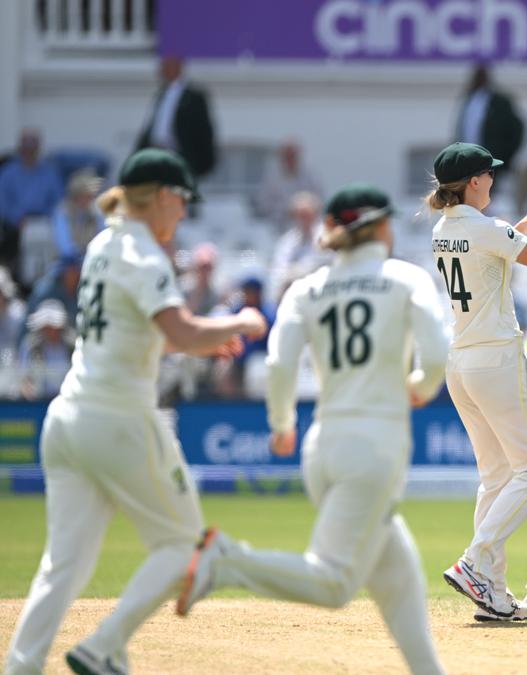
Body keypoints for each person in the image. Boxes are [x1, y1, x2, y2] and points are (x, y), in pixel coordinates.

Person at [3, 148, 266, 675]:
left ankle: (21, 666)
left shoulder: (102, 244)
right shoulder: (145, 254)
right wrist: (239, 323)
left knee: (64, 565)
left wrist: (199, 343)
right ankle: (103, 647)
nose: (184, 213)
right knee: (188, 547)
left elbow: (141, 336)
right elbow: (181, 330)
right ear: (162, 196)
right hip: (118, 419)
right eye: (181, 201)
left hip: (68, 419)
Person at [176, 183, 448, 674]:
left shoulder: (308, 288)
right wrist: (421, 386)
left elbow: (280, 365)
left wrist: (281, 424)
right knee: (334, 584)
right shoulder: (405, 278)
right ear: (381, 227)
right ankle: (225, 560)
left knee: (398, 576)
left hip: (323, 446)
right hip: (375, 446)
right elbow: (437, 351)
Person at [429, 141, 527, 619]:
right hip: (496, 361)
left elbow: (491, 253)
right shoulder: (487, 230)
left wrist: (521, 225)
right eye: (488, 175)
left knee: (496, 477)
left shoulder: (442, 228)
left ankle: (492, 593)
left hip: (461, 363)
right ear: (472, 182)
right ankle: (475, 562)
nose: (493, 181)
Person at [136, 56, 217, 178]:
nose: (161, 69)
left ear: (177, 65)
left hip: (180, 158)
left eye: (165, 65)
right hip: (156, 156)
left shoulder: (194, 96)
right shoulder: (161, 94)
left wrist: (200, 165)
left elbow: (203, 131)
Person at [0, 129, 64, 268]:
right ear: (20, 149)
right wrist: (18, 219)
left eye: (32, 149)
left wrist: (47, 218)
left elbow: (58, 201)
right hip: (16, 224)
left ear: (38, 149)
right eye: (26, 149)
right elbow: (3, 203)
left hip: (44, 221)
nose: (29, 153)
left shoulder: (49, 172)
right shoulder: (8, 173)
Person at [454, 64, 525, 184]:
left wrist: (506, 158)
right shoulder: (468, 100)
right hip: (468, 163)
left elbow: (517, 129)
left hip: (492, 163)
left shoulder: (499, 102)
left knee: (489, 196)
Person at [269, 191, 332, 298]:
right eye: (299, 215)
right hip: (293, 290)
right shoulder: (288, 240)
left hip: (321, 290)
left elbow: (319, 264)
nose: (303, 219)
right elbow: (279, 269)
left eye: (306, 215)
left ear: (316, 214)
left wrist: (295, 271)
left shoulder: (327, 236)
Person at [254, 141, 325, 230]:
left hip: (304, 226)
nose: (290, 160)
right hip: (276, 225)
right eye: (287, 156)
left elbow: (318, 199)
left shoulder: (310, 177)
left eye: (293, 156)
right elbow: (263, 201)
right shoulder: (272, 178)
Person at [18, 299, 73, 400]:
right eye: (46, 327)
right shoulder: (30, 346)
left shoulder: (73, 345)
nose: (50, 331)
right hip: (38, 404)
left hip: (69, 400)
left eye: (53, 327)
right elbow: (24, 379)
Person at [51, 169, 104, 258]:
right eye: (87, 195)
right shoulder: (62, 212)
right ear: (76, 195)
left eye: (92, 195)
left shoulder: (96, 210)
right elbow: (65, 248)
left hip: (93, 258)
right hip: (69, 262)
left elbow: (103, 236)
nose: (90, 199)